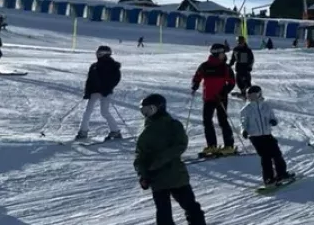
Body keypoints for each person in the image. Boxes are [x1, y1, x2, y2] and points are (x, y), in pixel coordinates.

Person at [135, 93, 207, 225]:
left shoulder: (173, 125)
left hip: (175, 175)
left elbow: (180, 145)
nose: (146, 114)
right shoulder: (145, 131)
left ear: (159, 108)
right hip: (156, 178)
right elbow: (140, 156)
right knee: (163, 212)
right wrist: (143, 175)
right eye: (143, 111)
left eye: (149, 110)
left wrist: (159, 160)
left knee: (190, 206)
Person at [239, 85, 293, 186]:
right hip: (255, 137)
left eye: (254, 96)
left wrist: (273, 121)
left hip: (267, 134)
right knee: (265, 157)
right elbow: (242, 123)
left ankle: (282, 174)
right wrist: (244, 131)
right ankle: (268, 179)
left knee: (277, 154)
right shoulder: (246, 110)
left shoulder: (266, 106)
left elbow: (273, 117)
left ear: (259, 95)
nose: (252, 98)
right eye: (250, 96)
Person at [190, 43, 236, 157]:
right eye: (222, 53)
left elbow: (232, 82)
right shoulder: (205, 66)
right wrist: (195, 85)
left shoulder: (225, 67)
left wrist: (223, 92)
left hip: (221, 98)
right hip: (208, 97)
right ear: (217, 54)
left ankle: (229, 146)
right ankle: (212, 145)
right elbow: (197, 76)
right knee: (207, 121)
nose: (224, 55)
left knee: (223, 121)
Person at [77, 45, 123, 141]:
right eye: (97, 53)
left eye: (100, 53)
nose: (98, 55)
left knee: (104, 112)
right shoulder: (94, 66)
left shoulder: (113, 66)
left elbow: (115, 79)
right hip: (94, 92)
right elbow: (89, 80)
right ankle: (83, 131)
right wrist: (87, 92)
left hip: (105, 92)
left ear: (106, 54)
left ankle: (115, 131)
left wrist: (107, 88)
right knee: (87, 112)